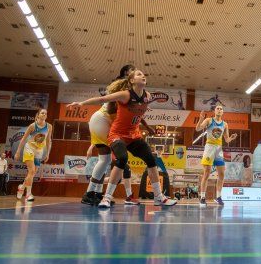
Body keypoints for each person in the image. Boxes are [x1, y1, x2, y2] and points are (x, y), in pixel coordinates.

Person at [68, 69, 176, 208]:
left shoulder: (147, 96)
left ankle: (159, 197)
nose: (143, 76)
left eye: (143, 74)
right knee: (122, 159)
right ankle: (106, 197)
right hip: (117, 134)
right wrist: (81, 103)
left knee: (151, 159)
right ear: (131, 81)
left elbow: (138, 114)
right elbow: (102, 99)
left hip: (133, 135)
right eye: (138, 74)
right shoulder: (125, 95)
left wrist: (148, 126)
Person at [81, 64, 156, 206]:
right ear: (129, 76)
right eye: (135, 73)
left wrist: (143, 117)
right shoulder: (123, 92)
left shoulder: (136, 94)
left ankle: (96, 193)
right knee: (105, 160)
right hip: (102, 119)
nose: (140, 75)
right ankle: (90, 193)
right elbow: (109, 108)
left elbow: (134, 113)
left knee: (106, 160)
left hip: (105, 121)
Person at [195, 103, 237, 207]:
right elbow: (198, 129)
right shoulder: (209, 120)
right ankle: (203, 197)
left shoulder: (225, 124)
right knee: (207, 172)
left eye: (221, 109)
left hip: (219, 149)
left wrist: (231, 138)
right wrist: (200, 119)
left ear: (223, 112)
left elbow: (226, 139)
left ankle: (218, 197)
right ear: (214, 111)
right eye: (217, 108)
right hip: (209, 147)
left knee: (222, 174)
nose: (219, 110)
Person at [16, 108, 52, 202]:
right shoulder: (32, 126)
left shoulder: (49, 127)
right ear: (38, 115)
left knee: (32, 173)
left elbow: (48, 141)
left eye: (46, 113)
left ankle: (22, 187)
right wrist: (18, 151)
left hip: (39, 151)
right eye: (42, 113)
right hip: (29, 149)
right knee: (31, 171)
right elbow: (23, 139)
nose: (44, 114)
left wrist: (47, 153)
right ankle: (28, 194)